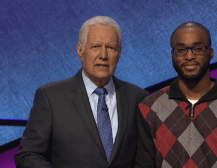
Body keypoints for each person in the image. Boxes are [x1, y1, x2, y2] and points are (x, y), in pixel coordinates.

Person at [14, 16, 148, 168]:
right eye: (95, 47)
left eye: (111, 48)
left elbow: (145, 158)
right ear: (80, 51)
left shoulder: (138, 97)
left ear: (119, 53)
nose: (103, 55)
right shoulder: (50, 97)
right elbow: (29, 155)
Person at [135, 22, 217, 168]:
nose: (189, 56)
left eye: (198, 48)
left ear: (211, 53)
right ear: (172, 55)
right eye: (181, 49)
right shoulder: (149, 107)